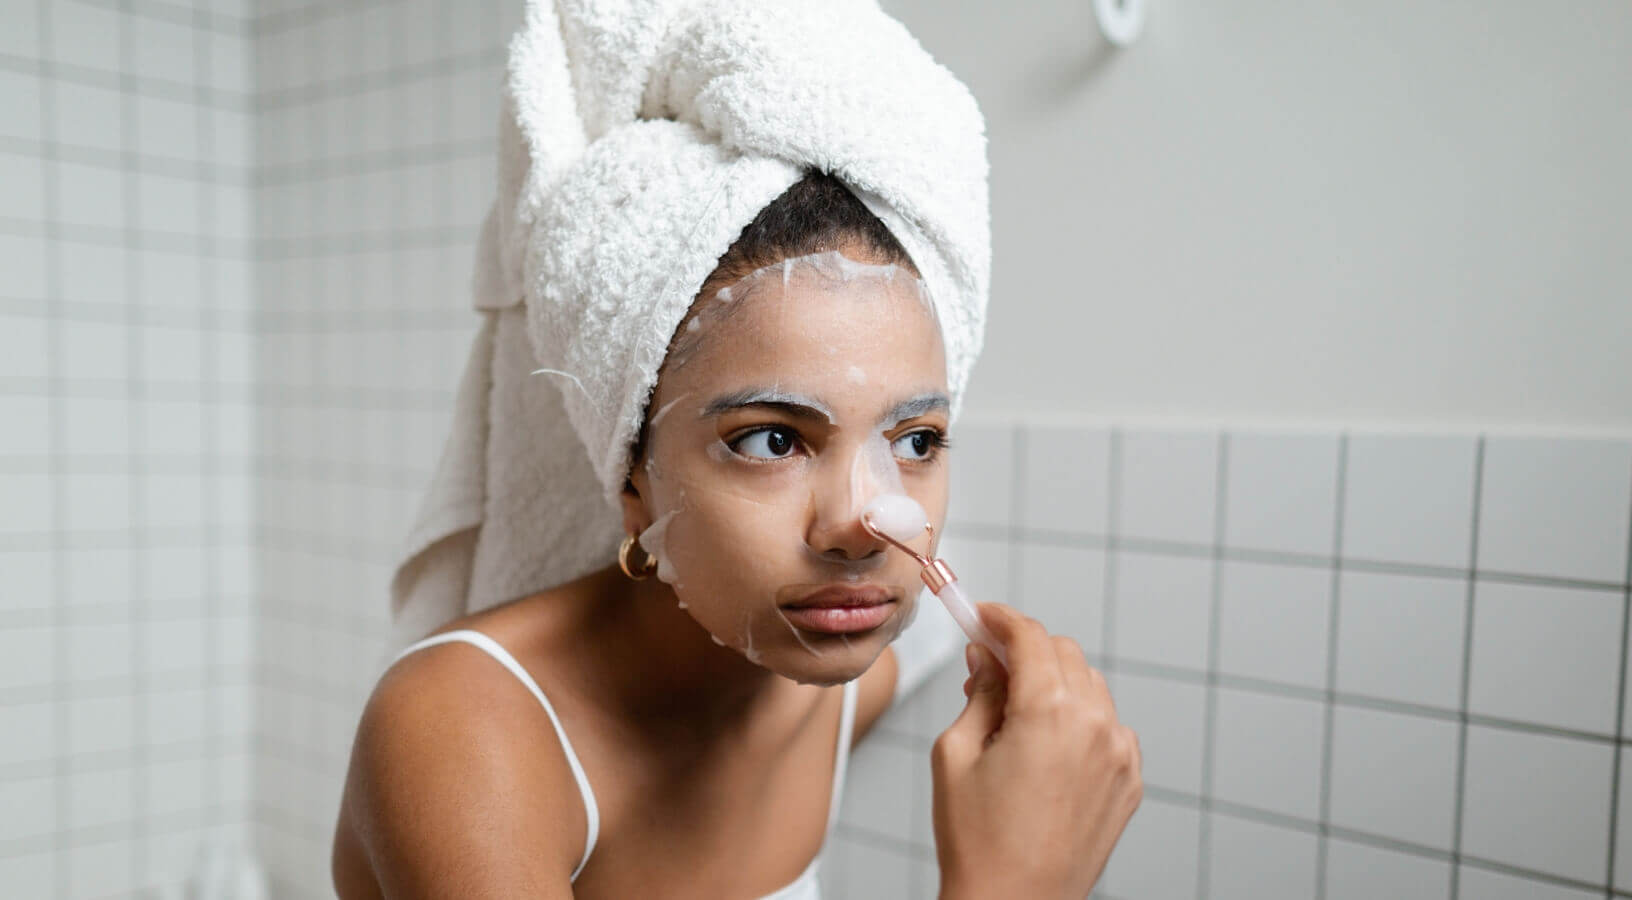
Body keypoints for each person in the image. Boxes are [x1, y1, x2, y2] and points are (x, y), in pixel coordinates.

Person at [332, 2, 1141, 897]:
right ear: (631, 478)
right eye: (772, 439)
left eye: (915, 439)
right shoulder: (460, 730)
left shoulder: (844, 685)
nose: (863, 526)